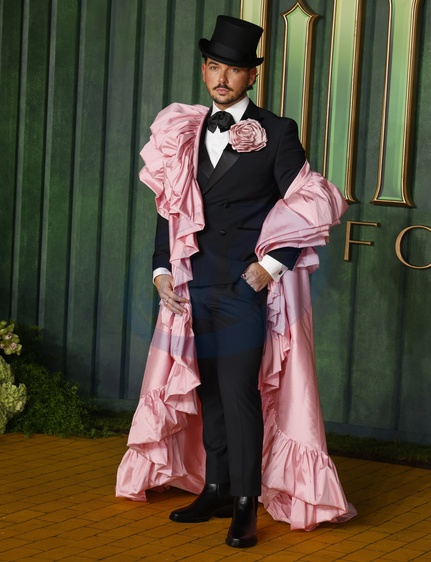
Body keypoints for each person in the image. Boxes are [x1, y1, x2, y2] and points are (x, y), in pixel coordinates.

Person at [116, 15, 356, 548]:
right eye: (214, 66)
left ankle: (246, 502)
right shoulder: (184, 130)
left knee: (240, 392)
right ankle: (217, 487)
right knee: (210, 393)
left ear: (252, 75)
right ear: (205, 70)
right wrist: (161, 268)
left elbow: (311, 202)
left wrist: (271, 266)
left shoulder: (278, 132)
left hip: (245, 289)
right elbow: (170, 206)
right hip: (192, 285)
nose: (222, 77)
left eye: (234, 69)